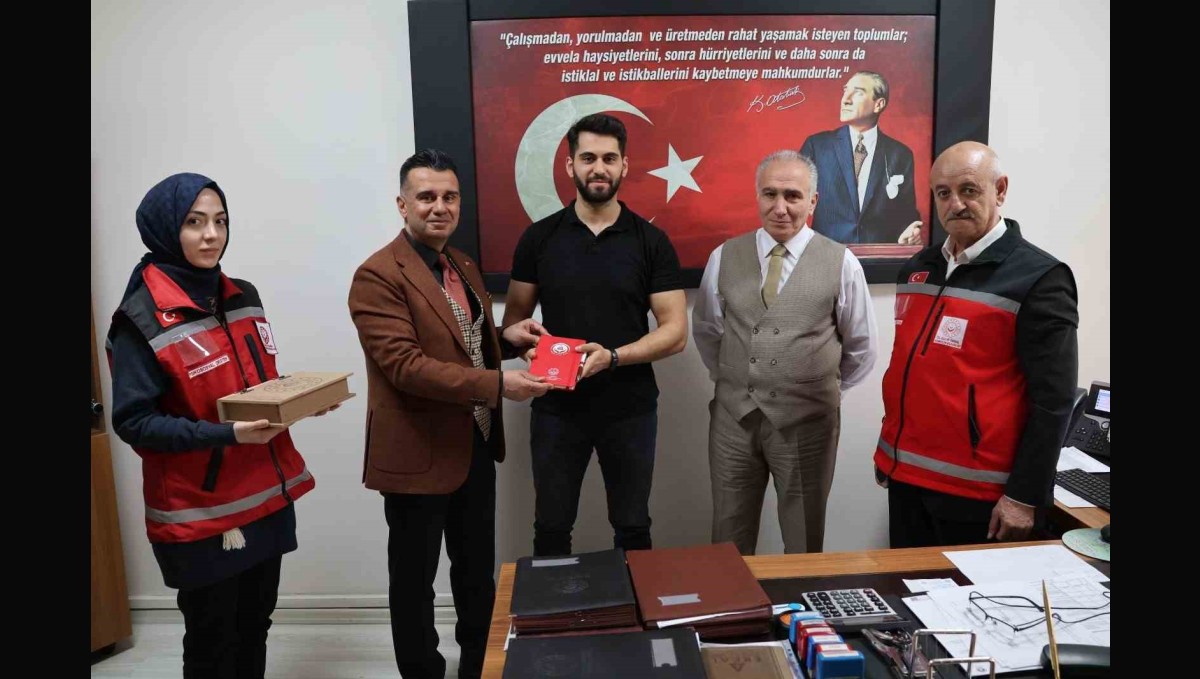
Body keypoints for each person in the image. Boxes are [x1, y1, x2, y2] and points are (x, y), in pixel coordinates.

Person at [108, 172, 331, 678]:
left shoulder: (242, 294)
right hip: (202, 514)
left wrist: (297, 401)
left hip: (265, 495)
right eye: (194, 222)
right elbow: (135, 423)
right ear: (165, 229)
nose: (211, 235)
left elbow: (253, 387)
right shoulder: (138, 319)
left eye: (220, 221)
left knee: (255, 625)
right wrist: (225, 435)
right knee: (213, 641)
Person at [348, 149, 549, 679]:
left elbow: (464, 343)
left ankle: (478, 669)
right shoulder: (377, 275)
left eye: (450, 196)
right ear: (402, 204)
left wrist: (507, 338)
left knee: (476, 576)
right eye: (427, 197)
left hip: (474, 445)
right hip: (416, 455)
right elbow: (406, 367)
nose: (440, 207)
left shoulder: (461, 263)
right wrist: (498, 385)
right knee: (414, 584)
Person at [500, 113, 688, 557]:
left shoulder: (651, 241)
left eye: (608, 158)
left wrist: (613, 357)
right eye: (588, 158)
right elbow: (513, 324)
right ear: (570, 165)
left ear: (624, 165)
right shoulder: (538, 238)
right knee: (551, 527)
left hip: (630, 408)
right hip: (555, 408)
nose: (598, 168)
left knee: (633, 527)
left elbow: (676, 332)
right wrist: (527, 349)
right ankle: (555, 605)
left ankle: (635, 606)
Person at [874, 141, 1079, 547]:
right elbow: (908, 368)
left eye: (969, 190)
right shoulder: (917, 268)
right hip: (906, 476)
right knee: (907, 587)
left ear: (1000, 190)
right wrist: (889, 452)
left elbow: (1053, 401)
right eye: (943, 193)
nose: (955, 204)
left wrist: (1024, 496)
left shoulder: (1040, 278)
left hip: (978, 494)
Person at [692, 150, 878, 555]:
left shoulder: (842, 262)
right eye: (770, 194)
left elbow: (861, 346)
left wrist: (820, 389)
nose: (780, 207)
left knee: (804, 535)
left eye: (793, 196)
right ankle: (732, 598)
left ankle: (802, 600)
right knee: (728, 531)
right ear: (757, 196)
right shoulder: (723, 257)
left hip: (808, 425)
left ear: (813, 201)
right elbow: (708, 331)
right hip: (733, 421)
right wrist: (735, 380)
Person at [800, 70, 922, 245]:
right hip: (827, 253)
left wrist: (911, 231)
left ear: (878, 105)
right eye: (845, 91)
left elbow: (906, 213)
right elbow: (793, 199)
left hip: (879, 255)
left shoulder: (900, 154)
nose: (845, 99)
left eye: (857, 92)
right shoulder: (817, 145)